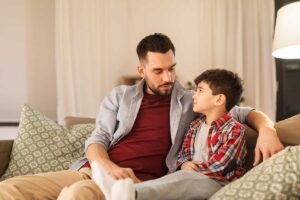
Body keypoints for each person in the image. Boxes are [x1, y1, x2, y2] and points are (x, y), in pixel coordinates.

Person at [0, 33, 283, 200]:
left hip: (135, 183)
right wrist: (106, 164)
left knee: (76, 195)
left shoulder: (190, 101)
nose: (169, 77)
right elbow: (97, 138)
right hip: (94, 169)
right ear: (141, 70)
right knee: (11, 189)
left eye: (172, 68)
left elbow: (244, 112)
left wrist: (268, 129)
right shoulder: (119, 96)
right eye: (158, 71)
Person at [92, 68, 248, 200]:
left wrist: (192, 170)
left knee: (183, 179)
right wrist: (184, 164)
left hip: (218, 183)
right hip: (190, 176)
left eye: (200, 91)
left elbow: (220, 166)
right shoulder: (194, 126)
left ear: (219, 99)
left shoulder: (234, 130)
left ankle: (132, 193)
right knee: (173, 179)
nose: (193, 95)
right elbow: (183, 154)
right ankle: (125, 191)